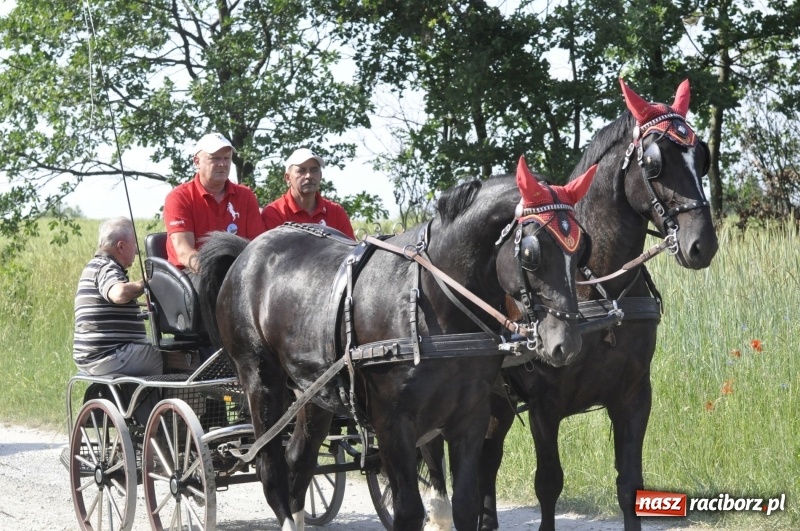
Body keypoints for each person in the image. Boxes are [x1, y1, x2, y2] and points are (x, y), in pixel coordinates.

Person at [73, 217, 163, 377]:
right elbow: (119, 294)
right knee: (169, 355)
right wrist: (147, 282)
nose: (136, 251)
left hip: (96, 355)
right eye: (134, 244)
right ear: (121, 246)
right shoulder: (106, 267)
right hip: (107, 355)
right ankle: (164, 400)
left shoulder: (95, 266)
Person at [164, 132, 266, 273]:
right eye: (215, 158)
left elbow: (257, 245)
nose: (222, 164)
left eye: (227, 158)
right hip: (191, 274)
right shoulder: (179, 197)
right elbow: (184, 253)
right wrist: (217, 274)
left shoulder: (245, 195)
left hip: (237, 273)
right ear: (197, 162)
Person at [262, 148, 355, 239]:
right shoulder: (274, 212)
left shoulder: (336, 212)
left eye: (314, 170)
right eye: (301, 170)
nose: (309, 176)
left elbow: (351, 252)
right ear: (287, 178)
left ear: (320, 176)